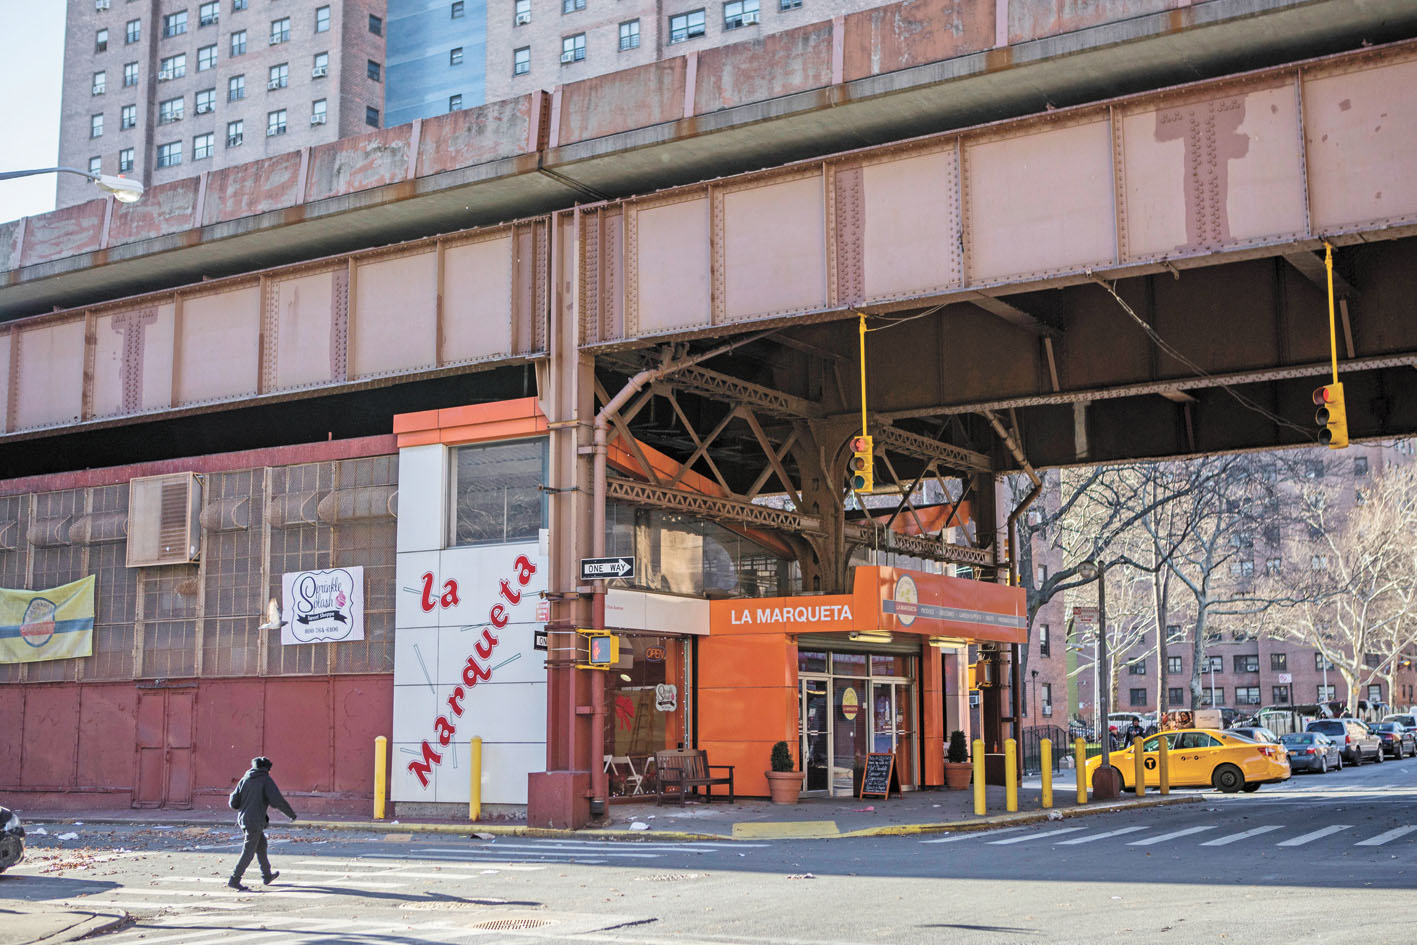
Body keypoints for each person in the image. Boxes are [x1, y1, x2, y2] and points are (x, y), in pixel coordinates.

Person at [227, 756, 297, 891]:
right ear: (267, 769)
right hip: (254, 821)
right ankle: (234, 879)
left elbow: (233, 802)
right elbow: (277, 800)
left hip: (244, 819)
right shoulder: (265, 780)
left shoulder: (245, 779)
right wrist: (291, 814)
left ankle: (267, 875)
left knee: (262, 845)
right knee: (248, 851)